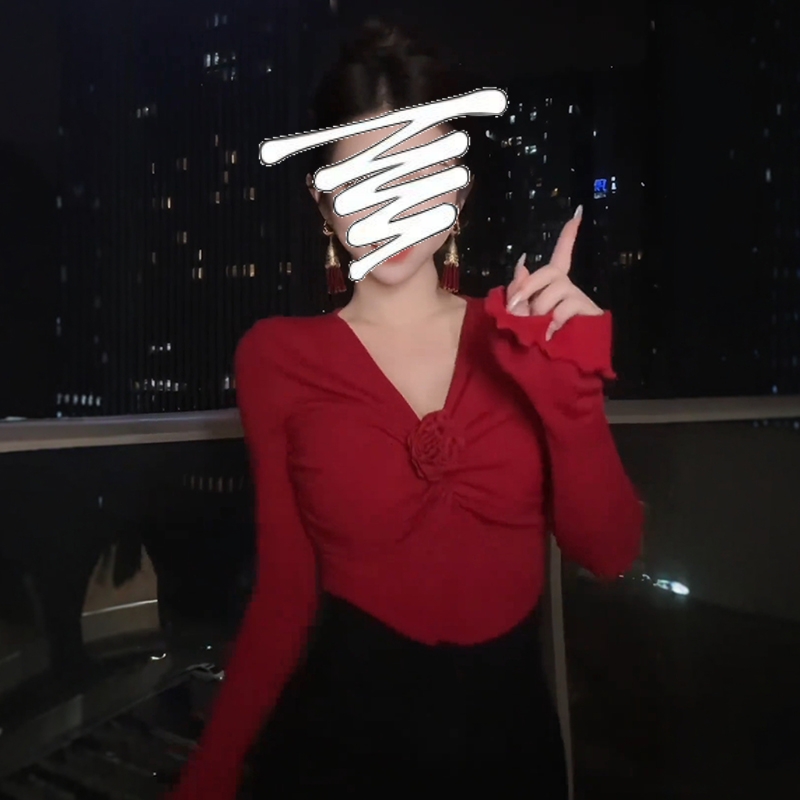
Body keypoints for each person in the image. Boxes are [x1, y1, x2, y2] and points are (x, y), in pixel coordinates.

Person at [168, 19, 643, 799]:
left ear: (456, 191)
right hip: (339, 756)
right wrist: (208, 777)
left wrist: (572, 393)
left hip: (512, 755)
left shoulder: (520, 334)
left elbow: (610, 550)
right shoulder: (276, 358)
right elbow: (285, 595)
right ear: (325, 200)